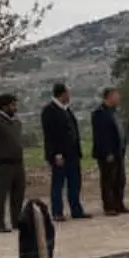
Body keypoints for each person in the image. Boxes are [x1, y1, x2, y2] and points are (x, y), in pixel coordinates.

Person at [40, 82, 88, 221]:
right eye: (68, 92)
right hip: (60, 155)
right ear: (62, 94)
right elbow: (50, 135)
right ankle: (57, 212)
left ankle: (76, 210)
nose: (69, 95)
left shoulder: (66, 110)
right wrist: (56, 154)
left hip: (72, 154)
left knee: (75, 182)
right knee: (58, 184)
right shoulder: (49, 111)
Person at [0, 93, 26, 233]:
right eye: (13, 105)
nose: (15, 108)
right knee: (1, 195)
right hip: (3, 164)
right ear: (4, 106)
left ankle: (17, 221)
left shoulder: (16, 122)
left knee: (18, 194)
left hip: (18, 163)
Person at [91, 87, 129, 215]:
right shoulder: (99, 112)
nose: (118, 98)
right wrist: (107, 152)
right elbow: (101, 135)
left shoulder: (114, 112)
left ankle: (119, 204)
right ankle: (109, 206)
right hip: (108, 153)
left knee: (120, 179)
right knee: (108, 180)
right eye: (116, 95)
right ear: (109, 96)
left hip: (118, 151)